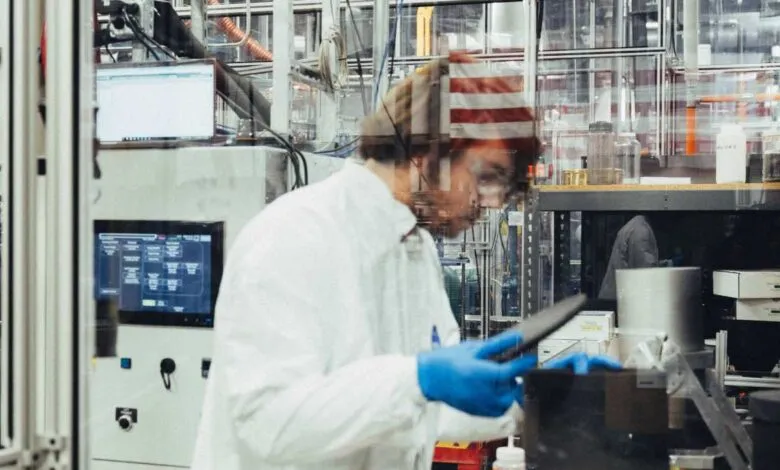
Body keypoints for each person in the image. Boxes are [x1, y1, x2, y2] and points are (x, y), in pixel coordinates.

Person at [192, 52, 620, 470]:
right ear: (427, 152)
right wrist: (417, 379)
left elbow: (431, 412)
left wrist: (532, 395)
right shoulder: (293, 235)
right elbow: (270, 423)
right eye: (486, 176)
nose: (489, 203)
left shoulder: (415, 251)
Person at [598, 214, 659, 300]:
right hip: (617, 302)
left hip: (616, 298)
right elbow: (645, 273)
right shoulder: (640, 231)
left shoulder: (636, 226)